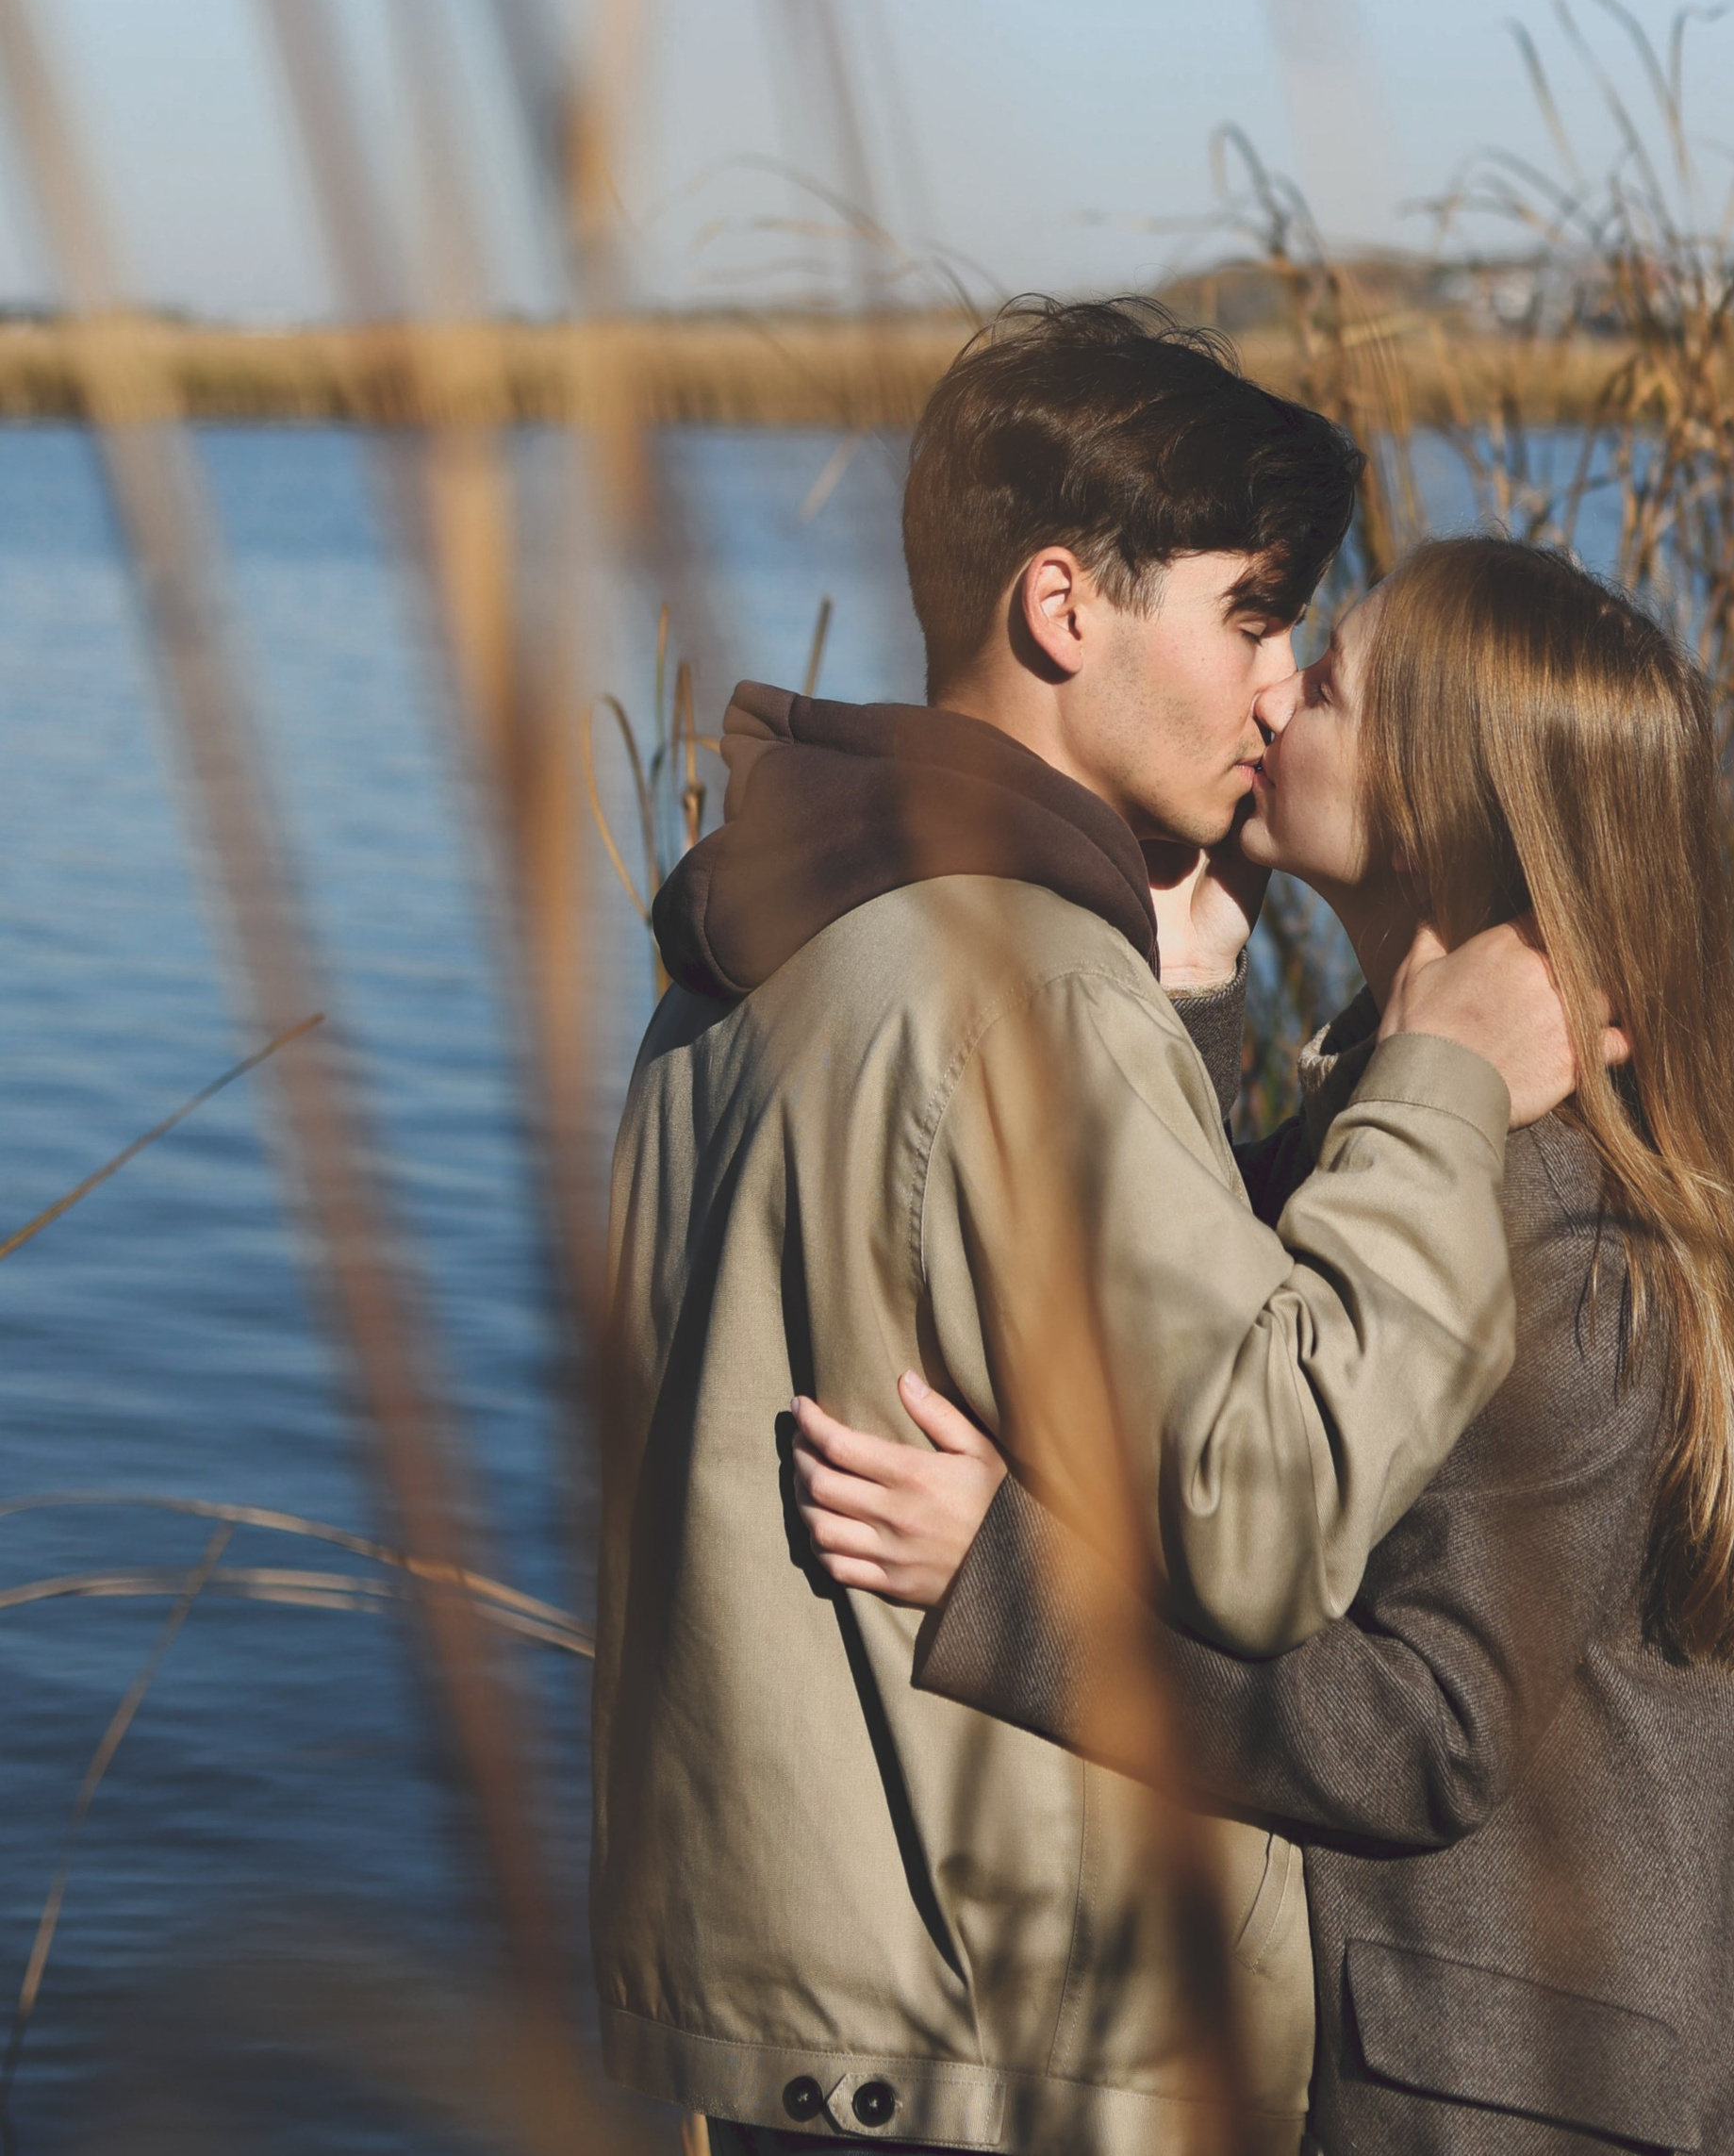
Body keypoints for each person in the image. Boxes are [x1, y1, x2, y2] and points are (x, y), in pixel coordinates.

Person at [593, 306, 1589, 2155]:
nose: (1279, 686)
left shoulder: (739, 959)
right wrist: (1436, 1088)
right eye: (1248, 613)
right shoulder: (1022, 988)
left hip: (803, 2018)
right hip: (1009, 2038)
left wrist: (1180, 1019)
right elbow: (1263, 1507)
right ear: (1064, 606)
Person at [792, 536, 1734, 2154]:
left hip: (1514, 2090)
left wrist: (1006, 1581)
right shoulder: (1405, 1113)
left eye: (1323, 683)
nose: (1271, 689)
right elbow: (1231, 1349)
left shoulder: (1558, 1210)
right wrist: (1194, 980)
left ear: (1447, 799)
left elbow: (1429, 1728)